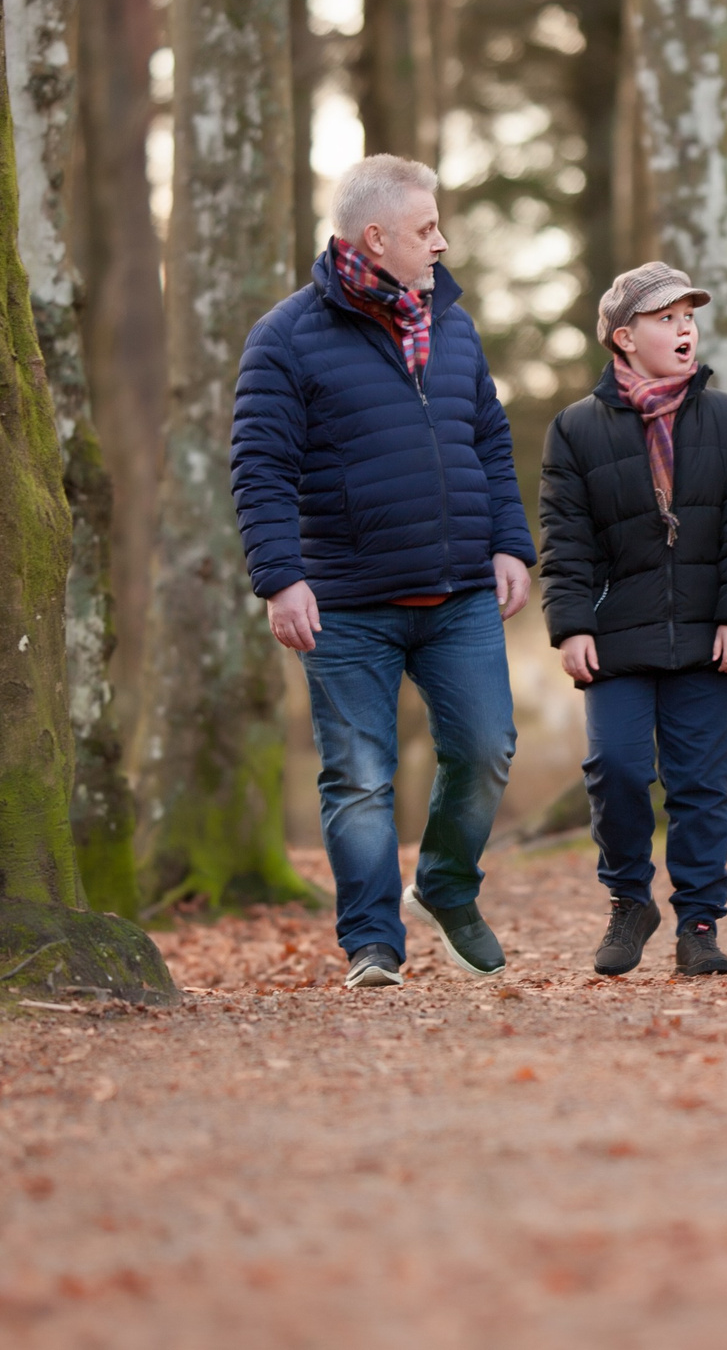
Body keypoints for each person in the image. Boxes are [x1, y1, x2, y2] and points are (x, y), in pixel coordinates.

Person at [232, 154, 535, 989]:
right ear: (374, 236)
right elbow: (259, 468)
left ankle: (444, 881)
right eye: (426, 228)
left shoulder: (456, 326)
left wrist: (511, 543)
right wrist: (279, 577)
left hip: (460, 590)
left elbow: (490, 442)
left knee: (485, 747)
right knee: (359, 775)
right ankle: (372, 940)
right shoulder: (286, 338)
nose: (441, 243)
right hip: (345, 601)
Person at [539, 263, 727, 978]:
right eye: (665, 318)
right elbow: (565, 535)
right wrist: (572, 623)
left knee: (699, 782)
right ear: (623, 337)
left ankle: (698, 923)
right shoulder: (575, 429)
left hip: (709, 633)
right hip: (616, 631)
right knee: (613, 766)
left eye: (688, 317)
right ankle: (627, 899)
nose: (684, 329)